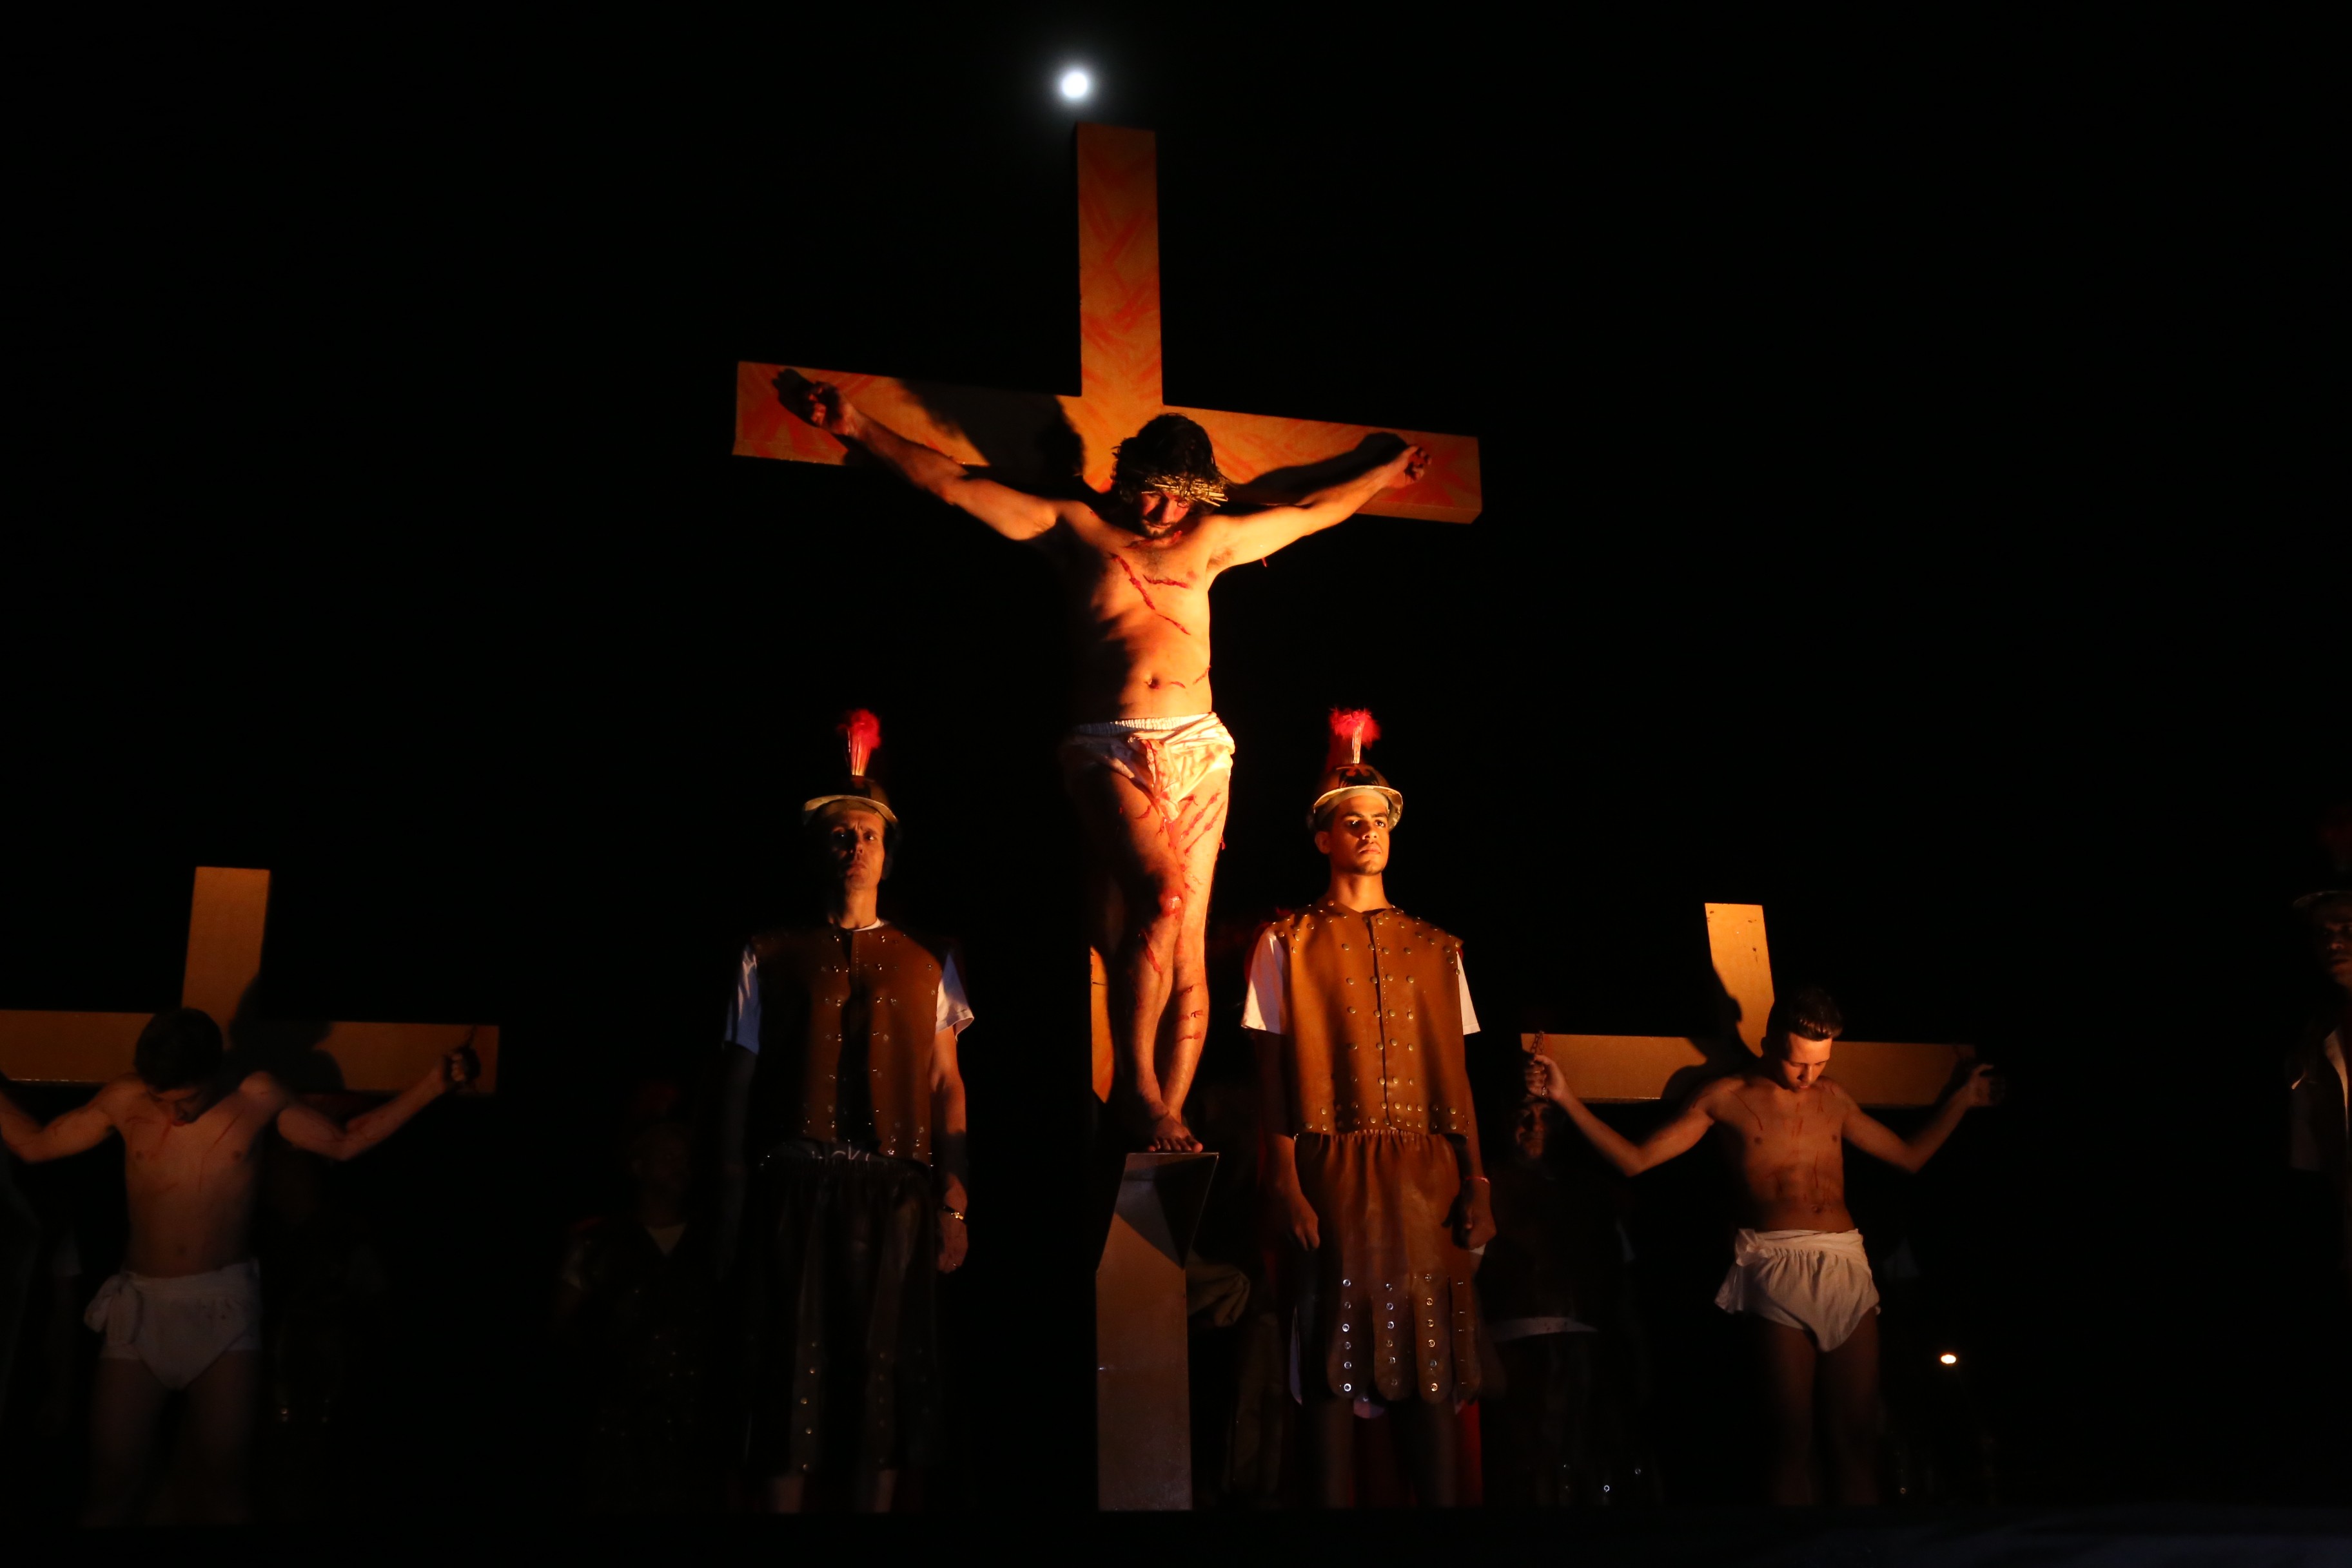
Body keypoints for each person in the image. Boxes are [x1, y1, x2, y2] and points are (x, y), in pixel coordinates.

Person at [785, 378, 1427, 1152]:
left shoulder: (1209, 540)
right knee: (1158, 900)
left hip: (1200, 744)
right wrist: (858, 426)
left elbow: (1310, 509)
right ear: (1124, 480)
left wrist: (1382, 471)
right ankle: (1135, 1085)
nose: (1157, 512)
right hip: (1106, 743)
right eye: (1146, 493)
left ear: (1195, 494)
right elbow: (955, 484)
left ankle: (1170, 1113)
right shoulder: (1081, 529)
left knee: (1189, 937)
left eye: (1173, 498)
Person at [1526, 986, 2000, 1504]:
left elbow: (1909, 1157)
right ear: (1770, 1041)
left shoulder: (1833, 1097)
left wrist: (1962, 1101)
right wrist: (1566, 1099)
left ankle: (1864, 1552)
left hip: (1845, 1259)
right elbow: (1636, 1160)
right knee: (1789, 1437)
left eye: (1820, 1064)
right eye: (1799, 1063)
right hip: (1775, 1261)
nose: (1808, 1077)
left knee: (1858, 1436)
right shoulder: (1725, 1097)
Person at [0, 1008, 475, 1524]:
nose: (176, 1117)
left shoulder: (256, 1095)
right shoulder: (124, 1099)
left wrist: (431, 1086)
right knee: (110, 1486)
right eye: (163, 1101)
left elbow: (346, 1141)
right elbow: (34, 1144)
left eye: (187, 1101)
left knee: (223, 1491)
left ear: (213, 1072)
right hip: (142, 1307)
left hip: (222, 1308)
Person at [715, 711, 974, 1513]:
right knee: (789, 1385)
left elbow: (945, 1082)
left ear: (888, 850)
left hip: (896, 1195)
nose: (854, 846)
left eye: (867, 832)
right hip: (796, 1191)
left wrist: (956, 1198)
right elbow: (737, 1085)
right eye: (839, 834)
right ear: (818, 849)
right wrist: (730, 1212)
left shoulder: (931, 954)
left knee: (883, 1391)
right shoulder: (770, 950)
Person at [1243, 710, 1495, 1507]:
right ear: (1324, 837)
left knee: (1430, 1370)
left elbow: (1458, 1075)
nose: (1370, 831)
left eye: (1380, 818)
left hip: (1428, 1174)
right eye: (1353, 821)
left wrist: (1480, 1181)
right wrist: (1284, 1176)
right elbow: (1271, 1071)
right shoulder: (1285, 940)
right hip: (1333, 1166)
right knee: (1328, 1371)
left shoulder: (1437, 946)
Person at [553, 1115, 714, 1514]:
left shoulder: (713, 1244)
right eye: (668, 1156)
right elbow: (558, 1323)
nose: (681, 1166)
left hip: (693, 1433)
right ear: (638, 1165)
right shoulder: (599, 1243)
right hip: (618, 1434)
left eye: (685, 1157)